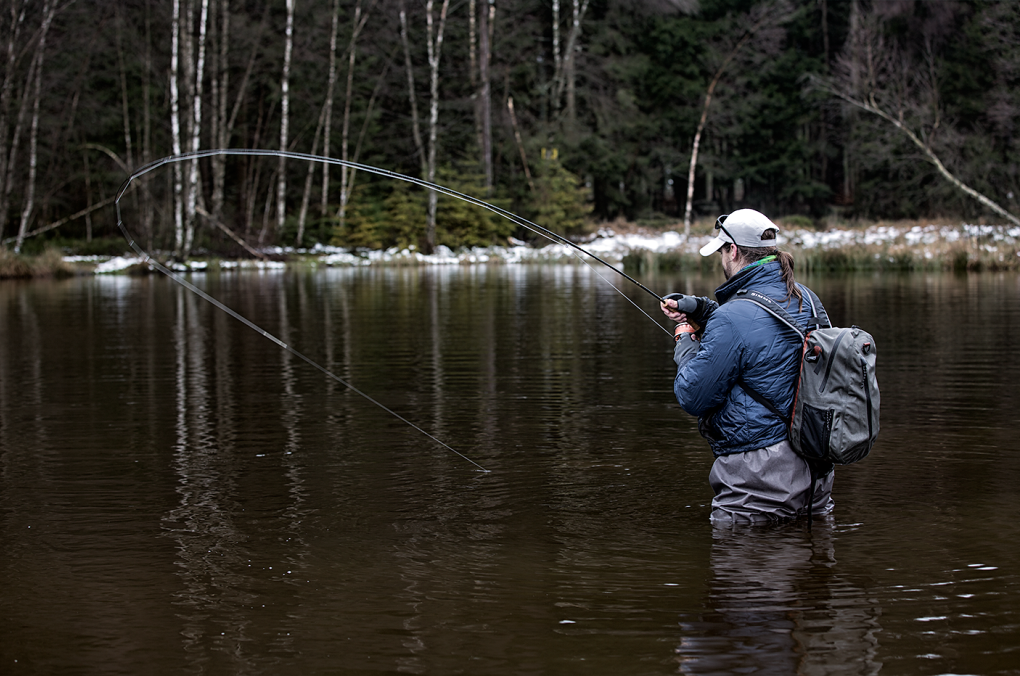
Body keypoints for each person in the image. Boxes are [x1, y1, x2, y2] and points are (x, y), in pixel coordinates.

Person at [660, 209, 834, 525]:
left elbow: (692, 395)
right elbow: (753, 324)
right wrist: (699, 308)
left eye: (722, 251)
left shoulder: (734, 316)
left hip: (757, 481)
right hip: (815, 470)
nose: (721, 260)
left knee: (741, 568)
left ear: (734, 250)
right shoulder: (807, 298)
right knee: (808, 563)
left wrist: (685, 342)